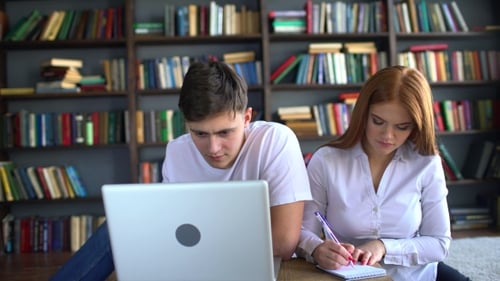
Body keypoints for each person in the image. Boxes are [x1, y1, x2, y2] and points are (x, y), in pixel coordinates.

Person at [50, 61, 312, 280]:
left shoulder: (275, 140)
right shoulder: (177, 151)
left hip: (246, 266)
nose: (213, 148)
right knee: (117, 229)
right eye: (199, 133)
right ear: (186, 124)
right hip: (194, 261)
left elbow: (284, 243)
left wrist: (194, 239)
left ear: (246, 118)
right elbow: (174, 232)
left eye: (225, 132)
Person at [295, 66, 471, 281]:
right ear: (363, 114)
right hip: (349, 275)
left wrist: (383, 247)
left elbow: (439, 244)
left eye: (402, 127)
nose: (388, 136)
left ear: (416, 126)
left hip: (416, 275)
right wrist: (317, 249)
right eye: (378, 121)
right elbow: (301, 232)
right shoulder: (326, 161)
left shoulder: (427, 163)